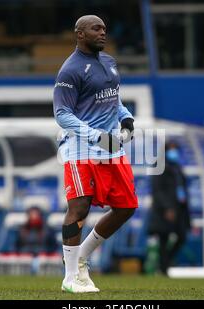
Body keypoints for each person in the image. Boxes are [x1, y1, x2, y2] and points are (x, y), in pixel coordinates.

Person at [53, 15, 138, 293]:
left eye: (104, 28)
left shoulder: (110, 62)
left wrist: (126, 118)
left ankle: (82, 258)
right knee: (79, 208)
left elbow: (114, 97)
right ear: (80, 34)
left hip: (110, 148)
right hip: (80, 149)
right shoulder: (70, 70)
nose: (103, 32)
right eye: (96, 28)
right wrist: (94, 136)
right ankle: (69, 277)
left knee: (127, 206)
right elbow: (62, 114)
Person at [148, 141, 191, 275]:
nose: (174, 152)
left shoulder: (177, 166)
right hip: (165, 210)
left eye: (175, 149)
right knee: (163, 239)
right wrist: (167, 208)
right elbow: (158, 190)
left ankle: (166, 262)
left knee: (182, 236)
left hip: (180, 208)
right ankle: (163, 269)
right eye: (171, 149)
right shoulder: (159, 165)